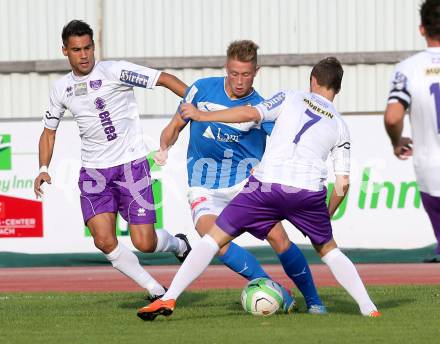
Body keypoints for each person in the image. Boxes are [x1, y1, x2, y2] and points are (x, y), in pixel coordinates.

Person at [138, 57, 381, 320]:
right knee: (330, 252)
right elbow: (343, 183)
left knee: (212, 239)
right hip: (308, 192)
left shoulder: (290, 97)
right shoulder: (340, 125)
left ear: (312, 80)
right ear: (338, 88)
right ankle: (364, 308)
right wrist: (326, 215)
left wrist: (203, 115)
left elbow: (250, 113)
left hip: (267, 186)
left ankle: (169, 297)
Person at [152, 40, 324, 314]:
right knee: (213, 240)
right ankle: (272, 287)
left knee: (279, 238)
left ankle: (315, 302)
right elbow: (174, 126)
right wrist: (164, 147)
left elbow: (287, 144)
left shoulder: (260, 107)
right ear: (226, 68)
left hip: (245, 185)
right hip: (204, 185)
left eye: (246, 74)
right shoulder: (201, 89)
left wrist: (269, 165)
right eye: (234, 73)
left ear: (257, 71)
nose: (240, 80)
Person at [33, 20, 191, 300]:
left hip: (131, 167)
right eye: (76, 49)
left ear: (94, 47)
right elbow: (49, 131)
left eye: (88, 48)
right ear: (65, 51)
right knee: (104, 240)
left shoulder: (115, 71)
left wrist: (198, 103)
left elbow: (163, 79)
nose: (84, 55)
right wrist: (43, 168)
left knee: (145, 242)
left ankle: (178, 245)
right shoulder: (61, 89)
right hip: (94, 173)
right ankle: (155, 289)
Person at [384, 0, 440, 263]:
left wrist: (397, 142)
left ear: (422, 29)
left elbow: (394, 116)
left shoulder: (409, 68)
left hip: (431, 171)